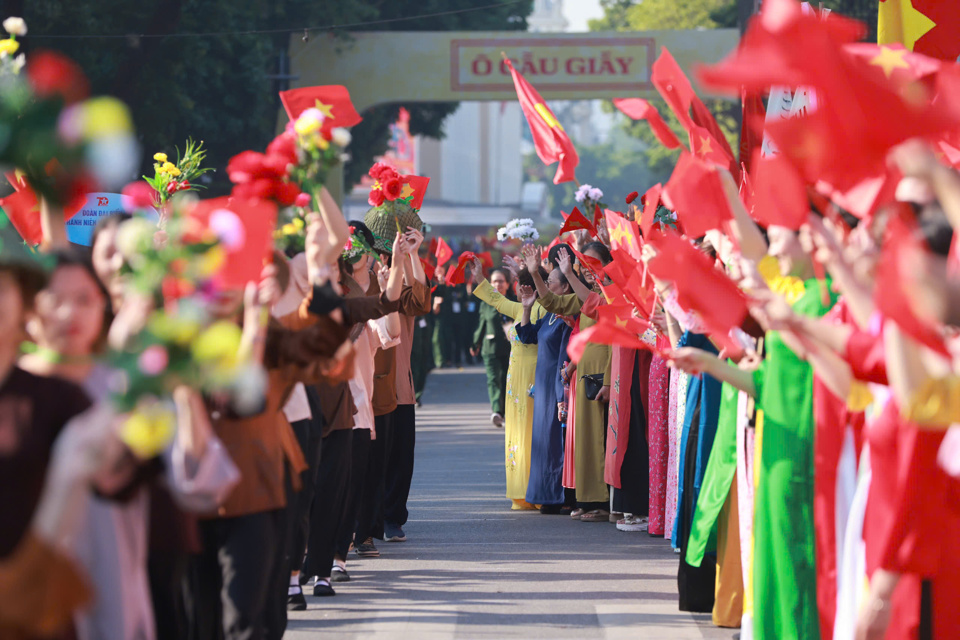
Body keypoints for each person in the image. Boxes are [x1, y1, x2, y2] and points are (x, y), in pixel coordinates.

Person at [521, 242, 613, 522]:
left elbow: (595, 308)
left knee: (598, 439)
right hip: (583, 373)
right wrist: (536, 273)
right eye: (583, 263)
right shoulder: (588, 293)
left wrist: (569, 274)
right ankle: (587, 500)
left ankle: (601, 501)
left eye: (592, 263)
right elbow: (553, 302)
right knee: (584, 439)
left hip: (603, 371)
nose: (586, 268)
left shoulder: (610, 294)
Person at [472, 261, 548, 510]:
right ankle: (522, 490)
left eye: (521, 284)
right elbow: (496, 300)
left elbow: (499, 301)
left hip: (533, 378)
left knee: (531, 433)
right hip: (515, 379)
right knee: (517, 433)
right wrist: (480, 278)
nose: (518, 290)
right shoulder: (520, 308)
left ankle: (534, 491)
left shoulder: (546, 311)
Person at [515, 267, 572, 512]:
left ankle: (560, 498)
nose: (546, 287)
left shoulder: (566, 317)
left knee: (555, 442)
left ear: (565, 287)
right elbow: (527, 336)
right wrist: (526, 307)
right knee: (542, 443)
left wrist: (562, 395)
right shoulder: (550, 315)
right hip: (543, 387)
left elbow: (564, 357)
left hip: (556, 386)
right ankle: (544, 495)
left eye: (550, 282)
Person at [471, 264, 512, 427]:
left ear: (507, 284)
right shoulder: (485, 303)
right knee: (494, 379)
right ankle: (497, 411)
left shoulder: (513, 301)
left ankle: (507, 411)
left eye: (501, 281)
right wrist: (476, 343)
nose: (497, 285)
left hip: (510, 349)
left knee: (505, 380)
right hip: (491, 348)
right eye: (494, 281)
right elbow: (481, 324)